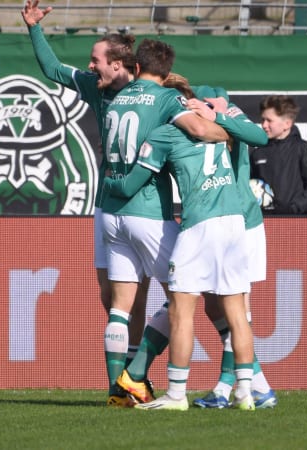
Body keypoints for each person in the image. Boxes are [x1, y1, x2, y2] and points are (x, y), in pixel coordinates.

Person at [115, 79, 278, 409]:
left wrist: (110, 181)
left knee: (183, 307)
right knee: (232, 311)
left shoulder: (177, 128)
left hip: (212, 222)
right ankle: (244, 390)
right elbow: (258, 136)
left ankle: (180, 391)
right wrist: (217, 115)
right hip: (238, 220)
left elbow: (136, 178)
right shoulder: (229, 122)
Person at [21, 0, 150, 407]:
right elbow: (53, 70)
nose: (89, 66)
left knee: (144, 298)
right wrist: (34, 29)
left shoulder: (150, 93)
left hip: (144, 207)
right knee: (110, 295)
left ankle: (132, 379)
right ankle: (124, 385)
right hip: (106, 206)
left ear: (118, 63)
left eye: (96, 60)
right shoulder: (97, 88)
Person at [98, 39, 229, 408]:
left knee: (120, 309)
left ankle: (117, 390)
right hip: (146, 213)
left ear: (135, 68)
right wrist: (229, 130)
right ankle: (135, 375)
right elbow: (200, 130)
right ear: (166, 74)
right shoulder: (166, 98)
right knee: (182, 297)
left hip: (111, 213)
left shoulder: (116, 96)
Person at [249, 95, 307, 215]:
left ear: (287, 124)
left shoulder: (305, 149)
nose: (264, 125)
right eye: (262, 120)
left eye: (269, 120)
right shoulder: (257, 153)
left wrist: (294, 208)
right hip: (265, 223)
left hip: (300, 223)